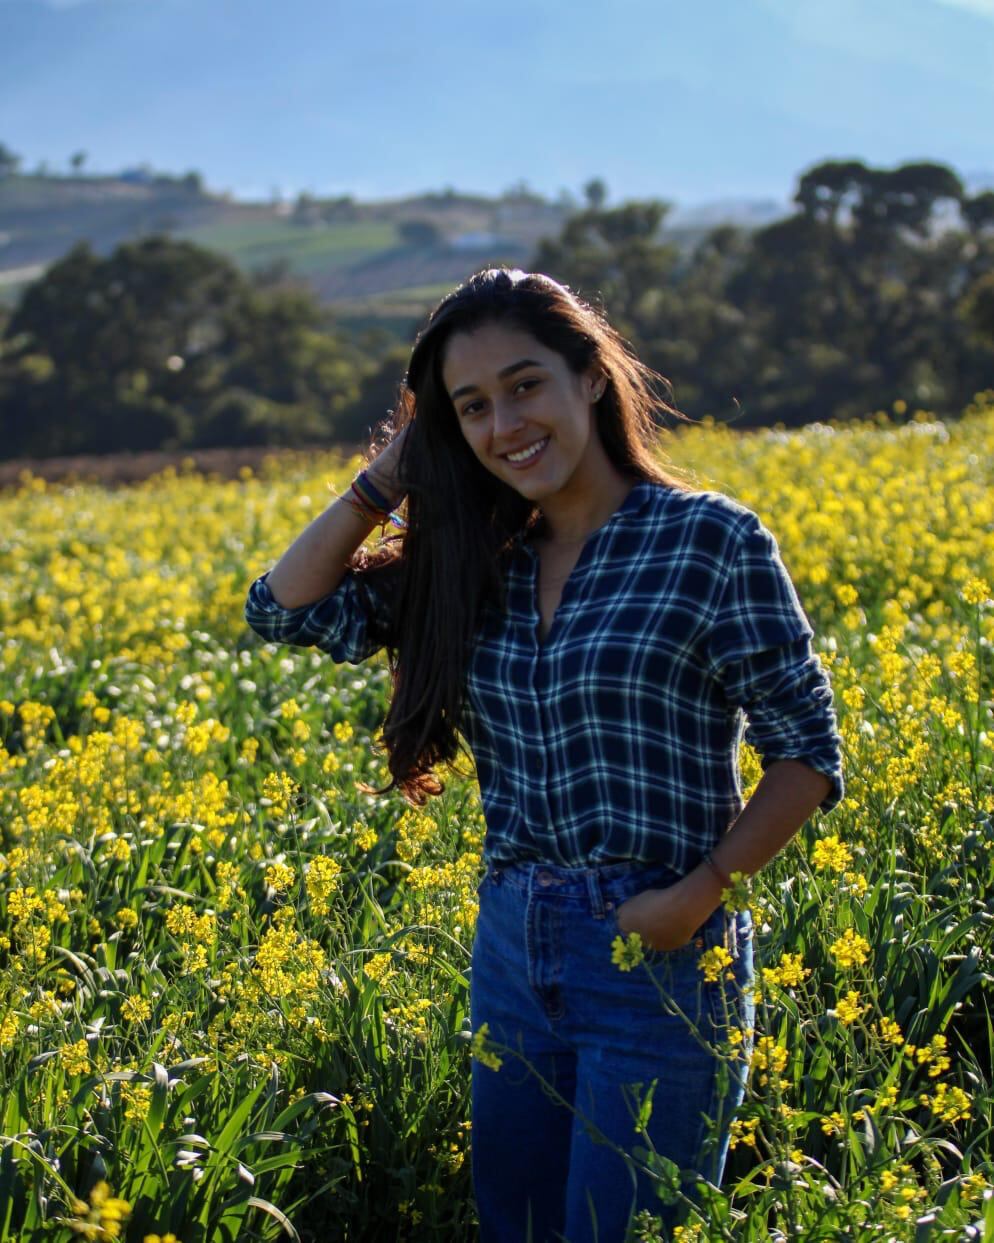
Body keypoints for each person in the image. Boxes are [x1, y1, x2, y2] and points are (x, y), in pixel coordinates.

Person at [243, 267, 844, 1242]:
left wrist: (705, 886)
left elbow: (806, 750)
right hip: (511, 952)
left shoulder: (708, 540)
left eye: (525, 385)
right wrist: (387, 474)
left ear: (591, 379)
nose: (503, 424)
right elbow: (280, 608)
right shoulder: (475, 558)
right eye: (470, 406)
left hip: (658, 951)